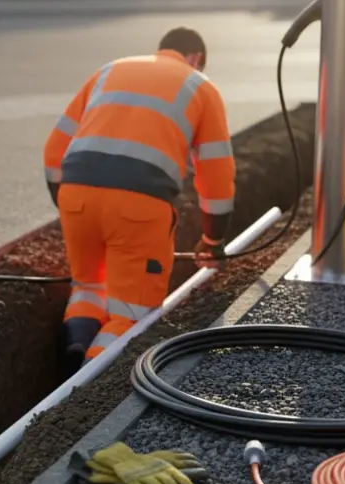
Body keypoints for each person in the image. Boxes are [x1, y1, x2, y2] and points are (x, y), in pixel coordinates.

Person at [43, 27, 237, 377]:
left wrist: (72, 207)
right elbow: (217, 177)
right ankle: (83, 387)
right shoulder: (200, 86)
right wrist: (213, 240)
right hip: (139, 206)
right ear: (196, 58)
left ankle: (76, 343)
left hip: (76, 196)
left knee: (89, 285)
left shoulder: (110, 70)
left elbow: (54, 151)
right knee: (130, 314)